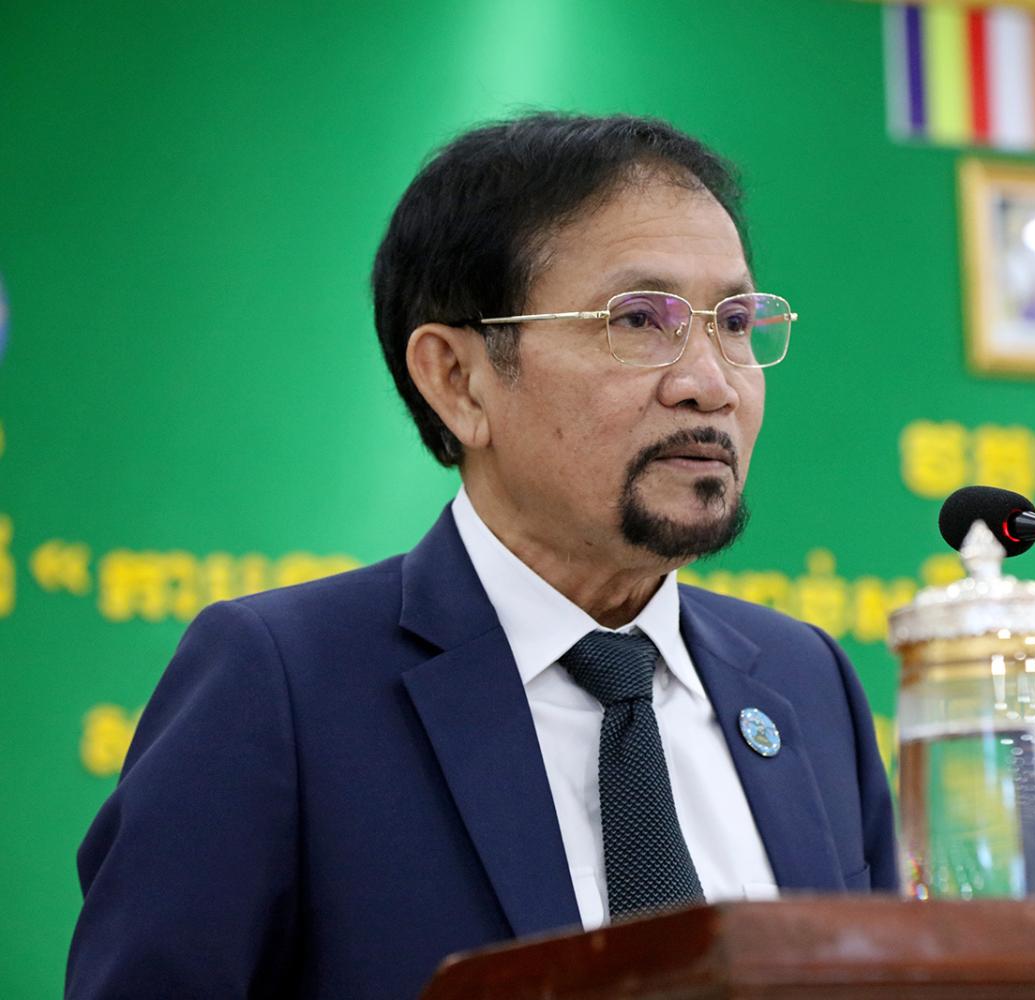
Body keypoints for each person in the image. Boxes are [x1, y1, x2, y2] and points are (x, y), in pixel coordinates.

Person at [66, 113, 897, 1000]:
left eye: (733, 322)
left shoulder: (804, 682)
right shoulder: (279, 687)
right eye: (638, 320)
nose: (712, 381)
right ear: (457, 380)